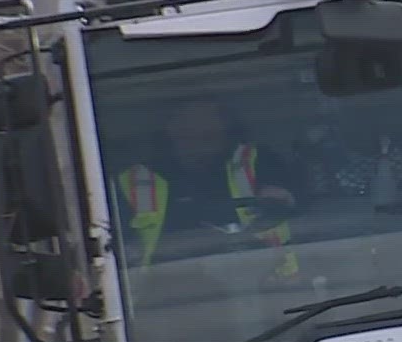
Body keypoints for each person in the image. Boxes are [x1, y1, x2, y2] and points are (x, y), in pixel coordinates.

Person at [116, 103, 301, 276]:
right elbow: (113, 246)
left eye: (210, 135)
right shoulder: (134, 181)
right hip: (162, 293)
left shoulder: (258, 162)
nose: (200, 143)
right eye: (190, 133)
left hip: (267, 282)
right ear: (171, 129)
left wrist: (282, 196)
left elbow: (308, 201)